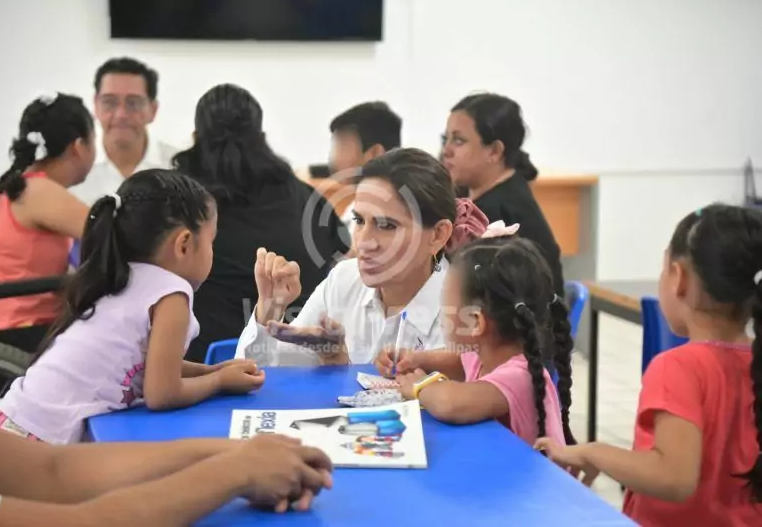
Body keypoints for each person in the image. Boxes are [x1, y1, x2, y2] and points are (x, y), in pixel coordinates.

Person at [0, 269, 332, 526]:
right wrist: (236, 470)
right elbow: (86, 521)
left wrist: (241, 453)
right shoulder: (169, 292)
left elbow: (53, 470)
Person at [0, 169, 264, 444]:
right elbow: (162, 394)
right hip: (36, 443)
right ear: (184, 244)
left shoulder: (121, 276)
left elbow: (154, 365)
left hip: (9, 424)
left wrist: (214, 371)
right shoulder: (171, 294)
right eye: (211, 241)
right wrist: (218, 382)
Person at [537, 203, 762, 525]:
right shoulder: (753, 360)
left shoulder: (679, 367)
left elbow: (674, 477)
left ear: (679, 278)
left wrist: (592, 452)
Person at [235, 147, 496, 367]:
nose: (363, 242)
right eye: (359, 221)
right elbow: (257, 376)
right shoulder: (344, 280)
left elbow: (453, 403)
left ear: (438, 235)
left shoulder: (464, 309)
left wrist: (344, 371)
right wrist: (270, 309)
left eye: (387, 226)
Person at [173, 84, 349, 362]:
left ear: (195, 137)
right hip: (299, 361)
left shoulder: (178, 204)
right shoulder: (304, 197)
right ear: (261, 137)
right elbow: (344, 257)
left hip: (199, 362)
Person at [380, 234, 575, 447]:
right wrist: (417, 358)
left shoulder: (520, 377)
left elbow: (451, 404)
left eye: (446, 301)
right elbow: (458, 360)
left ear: (474, 321)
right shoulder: (483, 354)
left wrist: (419, 387)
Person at [0, 92, 94, 341]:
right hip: (15, 328)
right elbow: (116, 231)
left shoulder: (22, 187)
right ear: (79, 147)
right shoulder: (37, 192)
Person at [442, 92, 565, 297]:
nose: (446, 151)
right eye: (445, 139)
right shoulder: (480, 195)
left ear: (494, 151)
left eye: (458, 140)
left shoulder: (499, 212)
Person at [71, 57, 178, 206]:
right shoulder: (73, 173)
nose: (121, 114)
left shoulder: (179, 167)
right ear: (96, 105)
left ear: (153, 110)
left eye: (133, 103)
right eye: (110, 102)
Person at [327, 101, 402, 230]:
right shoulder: (354, 208)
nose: (334, 157)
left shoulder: (391, 213)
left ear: (375, 153)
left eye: (344, 146)